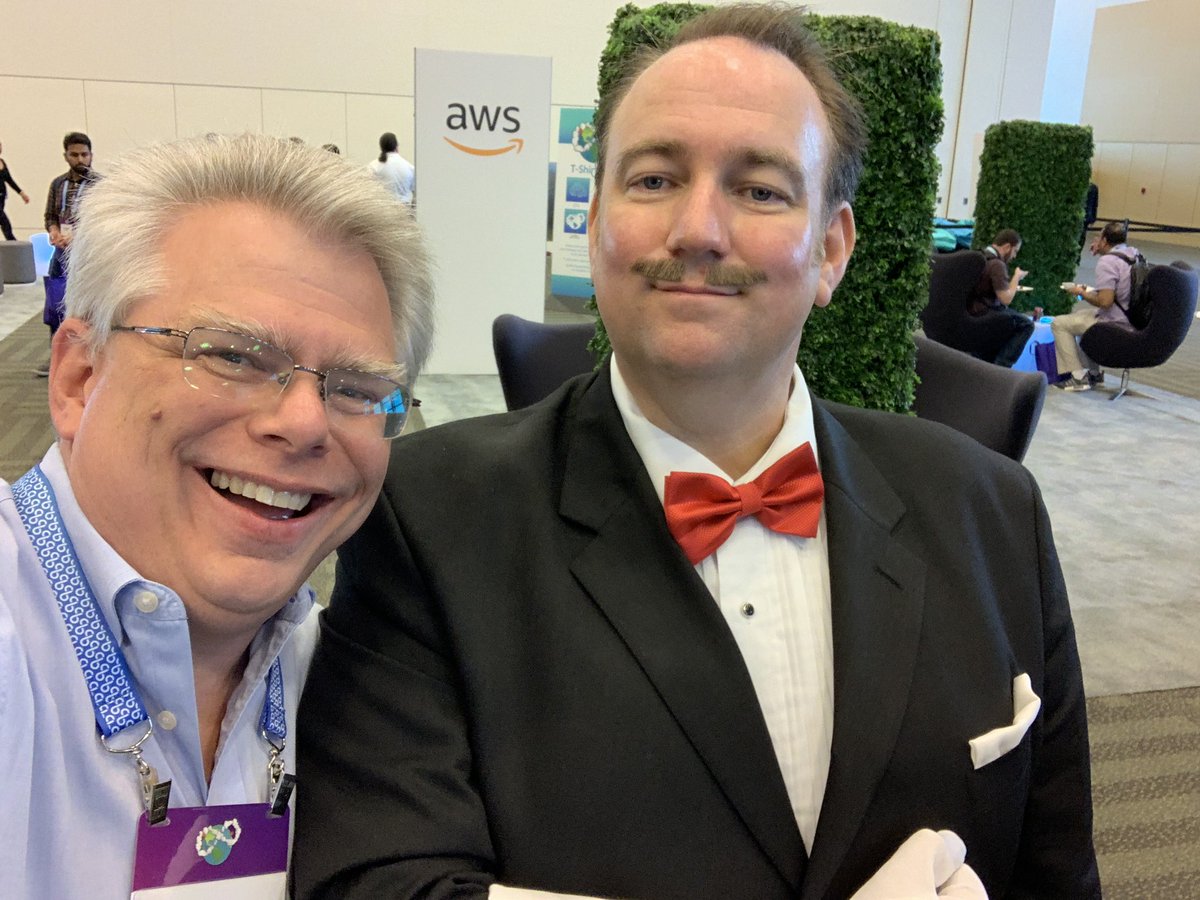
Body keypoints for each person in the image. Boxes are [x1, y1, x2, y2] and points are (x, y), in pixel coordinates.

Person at [294, 5, 1099, 899]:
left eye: (760, 190)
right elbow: (378, 882)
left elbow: (1058, 876)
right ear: (595, 221)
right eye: (653, 179)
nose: (699, 229)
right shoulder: (427, 517)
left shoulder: (992, 510)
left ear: (832, 250)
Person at [0, 132, 434, 899]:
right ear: (78, 377)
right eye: (232, 355)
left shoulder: (344, 676)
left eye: (356, 390)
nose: (305, 423)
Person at [36, 131, 99, 376]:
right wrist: (53, 231)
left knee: (90, 309)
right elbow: (50, 216)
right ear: (66, 156)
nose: (80, 159)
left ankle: (91, 359)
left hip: (89, 258)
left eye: (84, 154)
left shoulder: (100, 185)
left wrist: (79, 236)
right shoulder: (58, 184)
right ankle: (57, 357)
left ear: (91, 155)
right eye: (75, 155)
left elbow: (103, 221)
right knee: (55, 307)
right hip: (61, 256)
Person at [1053, 220, 1140, 392]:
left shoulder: (1108, 262)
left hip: (1114, 322)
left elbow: (1105, 302)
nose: (1096, 240)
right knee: (1082, 317)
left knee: (1059, 323)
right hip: (1132, 318)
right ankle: (1093, 373)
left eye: (1099, 237)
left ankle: (1078, 377)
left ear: (1105, 241)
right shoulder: (1134, 255)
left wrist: (1080, 292)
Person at [965, 228, 1035, 367]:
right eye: (1015, 251)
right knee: (1026, 325)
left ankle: (987, 362)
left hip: (971, 309)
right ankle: (1001, 367)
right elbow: (1006, 299)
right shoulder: (997, 265)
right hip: (985, 311)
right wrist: (1016, 277)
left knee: (1008, 319)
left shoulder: (979, 256)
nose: (1014, 256)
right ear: (1007, 246)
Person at [369, 131, 415, 204]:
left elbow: (368, 190)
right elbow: (417, 194)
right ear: (396, 146)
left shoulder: (373, 166)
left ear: (381, 147)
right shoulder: (409, 167)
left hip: (382, 207)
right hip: (404, 208)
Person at [0, 139, 32, 240]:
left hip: (2, 197)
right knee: (4, 221)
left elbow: (9, 180)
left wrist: (21, 193)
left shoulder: (2, 162)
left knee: (2, 220)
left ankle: (11, 241)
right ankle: (12, 241)